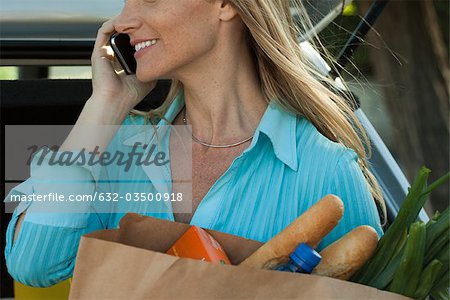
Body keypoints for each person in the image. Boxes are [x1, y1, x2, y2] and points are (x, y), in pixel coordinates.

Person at [5, 0, 385, 288]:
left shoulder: (327, 171)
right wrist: (106, 104)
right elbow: (33, 263)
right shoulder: (112, 153)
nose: (122, 20)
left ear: (224, 6)